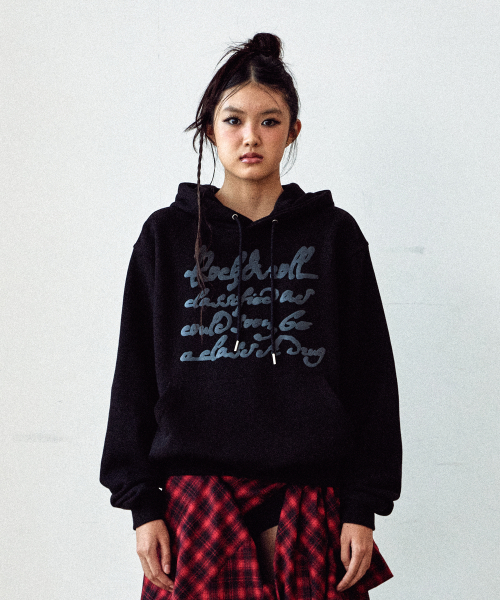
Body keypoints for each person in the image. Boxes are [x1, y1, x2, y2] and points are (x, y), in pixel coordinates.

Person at [100, 32, 402, 600]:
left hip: (313, 498)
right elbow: (133, 375)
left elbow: (372, 379)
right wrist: (141, 504)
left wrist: (364, 506)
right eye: (234, 119)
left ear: (293, 130)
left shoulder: (334, 235)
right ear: (210, 128)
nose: (250, 137)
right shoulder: (166, 236)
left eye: (269, 121)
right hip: (195, 503)